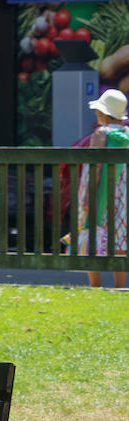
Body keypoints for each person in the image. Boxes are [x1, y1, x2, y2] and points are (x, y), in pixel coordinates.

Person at [74, 89, 129, 289]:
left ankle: (95, 285)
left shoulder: (100, 133)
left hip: (101, 195)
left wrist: (88, 196)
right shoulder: (127, 135)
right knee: (120, 240)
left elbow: (95, 166)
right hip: (122, 197)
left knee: (91, 234)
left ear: (103, 113)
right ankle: (120, 286)